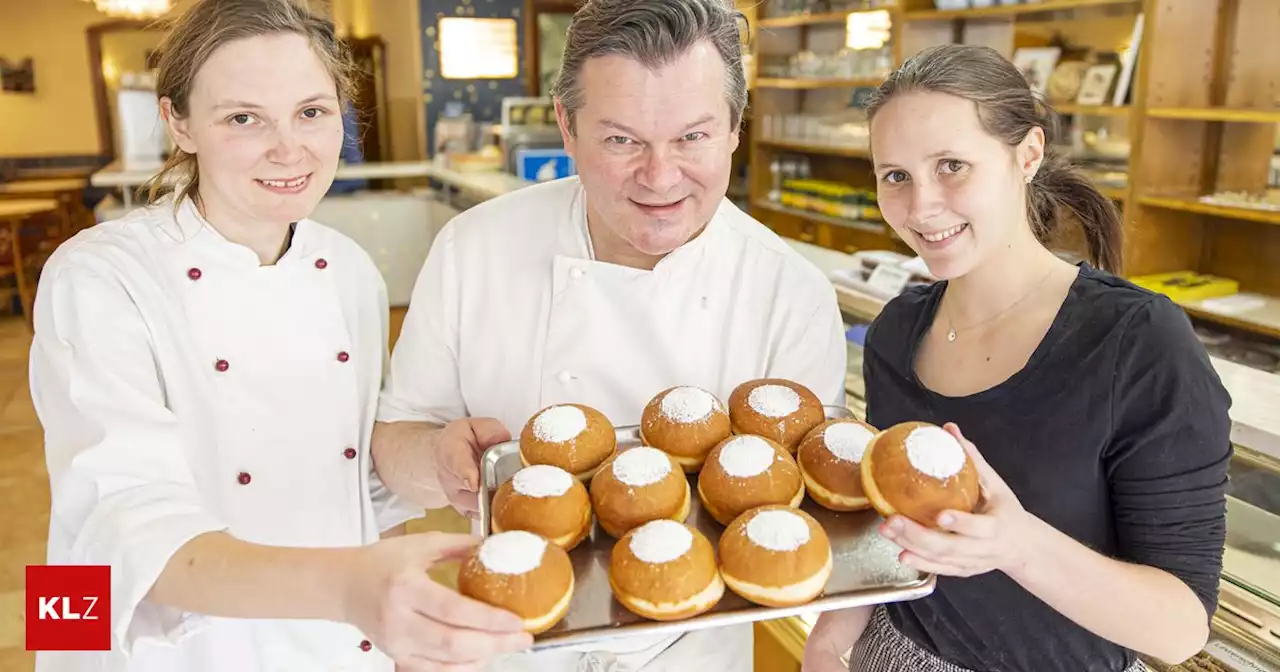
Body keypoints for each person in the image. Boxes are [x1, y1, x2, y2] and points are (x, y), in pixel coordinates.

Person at [28, 1, 532, 670]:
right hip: (161, 648)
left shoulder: (350, 270)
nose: (289, 148)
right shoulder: (97, 276)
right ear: (177, 122)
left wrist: (428, 467)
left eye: (312, 112)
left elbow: (349, 480)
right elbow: (120, 528)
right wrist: (350, 588)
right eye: (243, 118)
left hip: (332, 643)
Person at [370, 0, 847, 670]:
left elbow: (803, 517)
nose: (659, 176)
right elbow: (395, 447)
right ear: (566, 126)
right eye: (622, 140)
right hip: (507, 639)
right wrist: (437, 461)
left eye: (692, 137)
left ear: (736, 128)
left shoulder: (787, 292)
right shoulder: (472, 249)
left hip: (695, 650)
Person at [802, 44, 1232, 672]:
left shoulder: (1137, 342)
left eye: (952, 165)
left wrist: (1014, 543)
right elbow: (890, 530)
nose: (921, 207)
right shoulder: (896, 333)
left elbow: (1180, 629)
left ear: (1026, 156)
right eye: (895, 175)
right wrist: (829, 641)